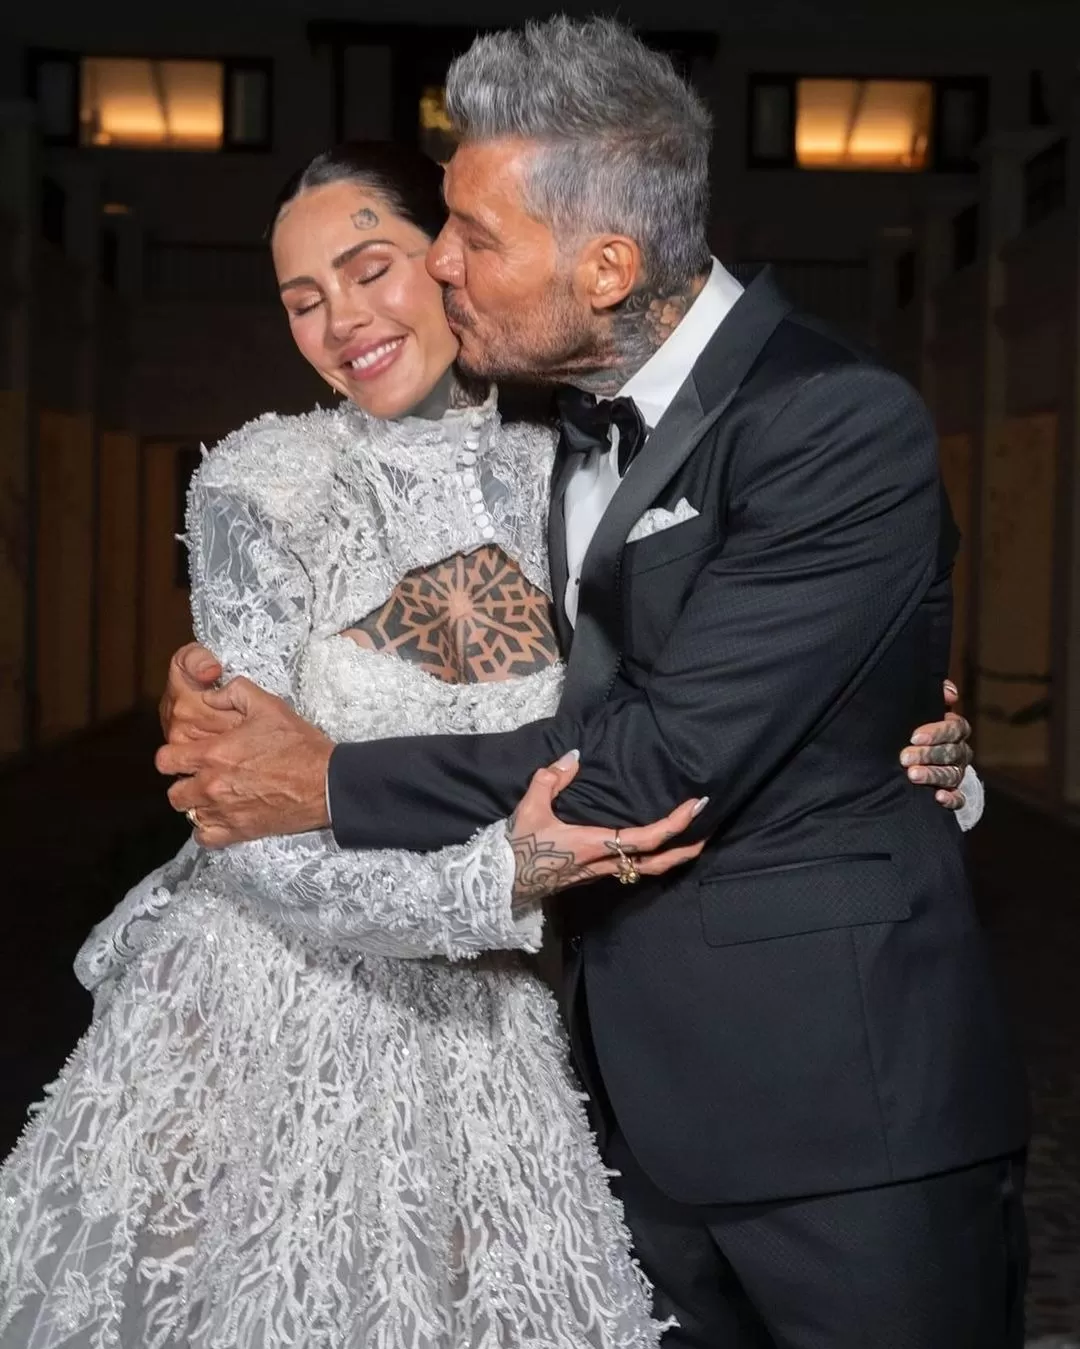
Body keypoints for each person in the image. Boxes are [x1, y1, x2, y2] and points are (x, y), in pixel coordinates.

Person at [158, 18, 1026, 1349]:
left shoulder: (829, 421)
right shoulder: (543, 424)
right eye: (304, 293)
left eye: (463, 241)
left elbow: (654, 751)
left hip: (839, 1124)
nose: (439, 274)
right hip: (591, 1101)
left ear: (608, 265)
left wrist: (319, 777)